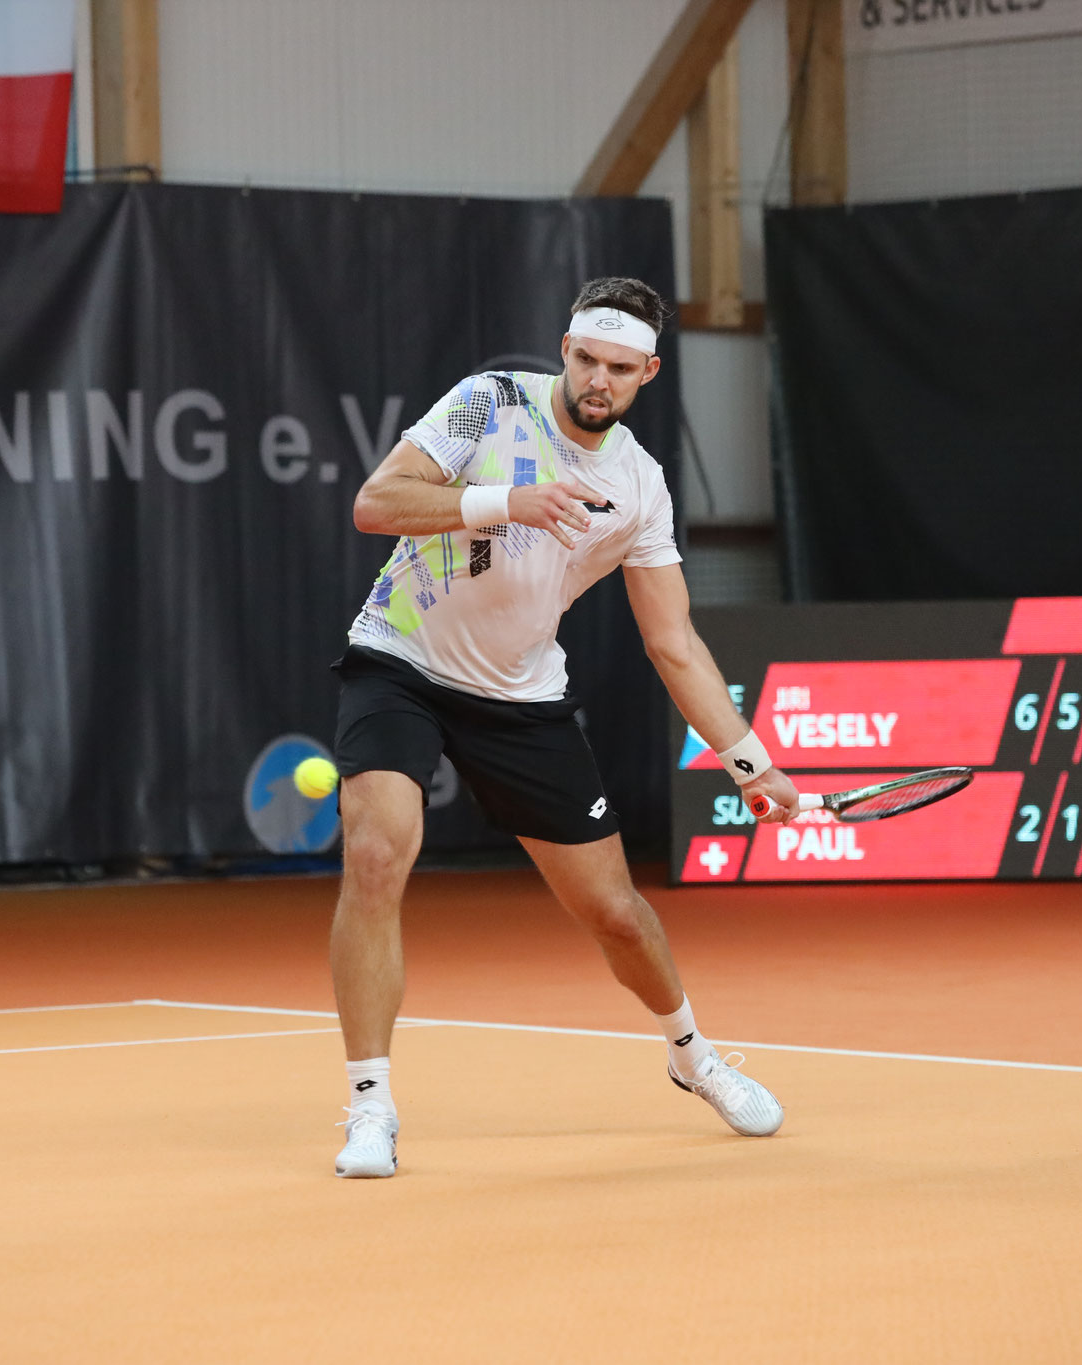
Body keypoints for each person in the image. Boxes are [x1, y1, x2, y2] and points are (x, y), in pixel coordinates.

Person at [328, 276, 802, 1178]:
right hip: (399, 657)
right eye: (586, 358)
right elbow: (376, 503)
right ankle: (370, 1105)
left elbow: (673, 643)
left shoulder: (640, 486)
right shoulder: (488, 402)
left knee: (616, 913)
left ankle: (693, 1056)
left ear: (647, 373)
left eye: (619, 367)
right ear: (566, 349)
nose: (597, 379)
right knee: (377, 852)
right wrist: (504, 501)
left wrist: (750, 763)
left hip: (521, 696)